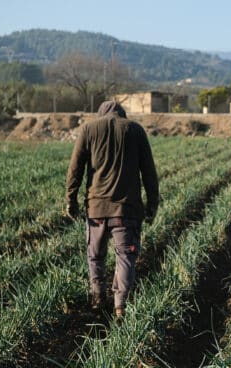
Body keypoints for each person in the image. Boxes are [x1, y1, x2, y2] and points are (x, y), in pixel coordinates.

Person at [65, 101, 159, 318]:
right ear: (122, 114)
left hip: (96, 208)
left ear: (101, 113)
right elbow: (149, 172)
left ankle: (98, 297)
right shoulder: (134, 130)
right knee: (125, 256)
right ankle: (120, 305)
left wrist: (71, 200)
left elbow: (75, 169)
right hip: (126, 211)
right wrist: (152, 204)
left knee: (95, 255)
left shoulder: (89, 129)